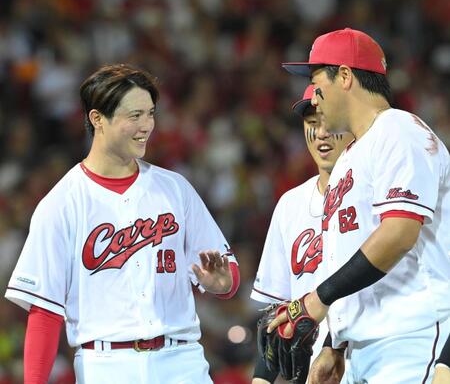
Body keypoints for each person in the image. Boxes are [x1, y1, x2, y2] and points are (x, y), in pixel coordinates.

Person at [5, 64, 240, 384]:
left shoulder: (175, 189)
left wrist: (221, 284)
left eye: (151, 113)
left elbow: (227, 276)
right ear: (97, 118)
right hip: (106, 365)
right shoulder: (62, 203)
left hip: (181, 359)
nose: (146, 125)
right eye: (134, 115)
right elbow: (45, 313)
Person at [268, 28, 450, 383]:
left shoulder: (398, 129)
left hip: (411, 338)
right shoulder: (350, 158)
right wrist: (334, 344)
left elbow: (398, 234)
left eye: (317, 83)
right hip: (362, 348)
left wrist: (319, 299)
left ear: (346, 76)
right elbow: (350, 253)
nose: (314, 98)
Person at [251, 85, 353, 384]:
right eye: (311, 123)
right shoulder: (290, 204)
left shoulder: (375, 196)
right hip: (311, 374)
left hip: (371, 356)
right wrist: (260, 380)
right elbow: (278, 314)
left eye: (327, 121)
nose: (321, 132)